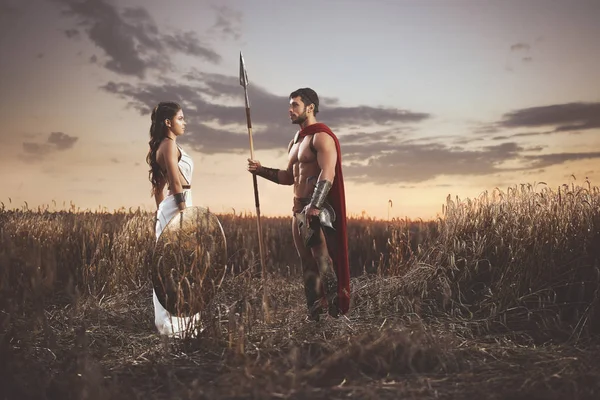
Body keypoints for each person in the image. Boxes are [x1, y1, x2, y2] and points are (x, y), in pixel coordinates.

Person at [247, 88, 351, 321]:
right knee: (307, 262)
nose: (290, 109)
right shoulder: (294, 142)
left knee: (323, 260)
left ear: (310, 107)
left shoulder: (321, 136)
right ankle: (314, 314)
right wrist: (260, 170)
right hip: (297, 209)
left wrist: (315, 205)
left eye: (295, 105)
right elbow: (288, 177)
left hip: (315, 209)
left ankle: (335, 315)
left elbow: (327, 172)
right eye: (290, 105)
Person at [146, 101, 200, 337]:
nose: (184, 122)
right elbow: (175, 184)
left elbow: (158, 188)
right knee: (176, 265)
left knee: (177, 264)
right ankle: (174, 325)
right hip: (179, 203)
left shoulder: (163, 145)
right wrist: (182, 214)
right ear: (168, 122)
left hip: (174, 204)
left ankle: (183, 321)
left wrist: (161, 214)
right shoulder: (168, 145)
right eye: (180, 118)